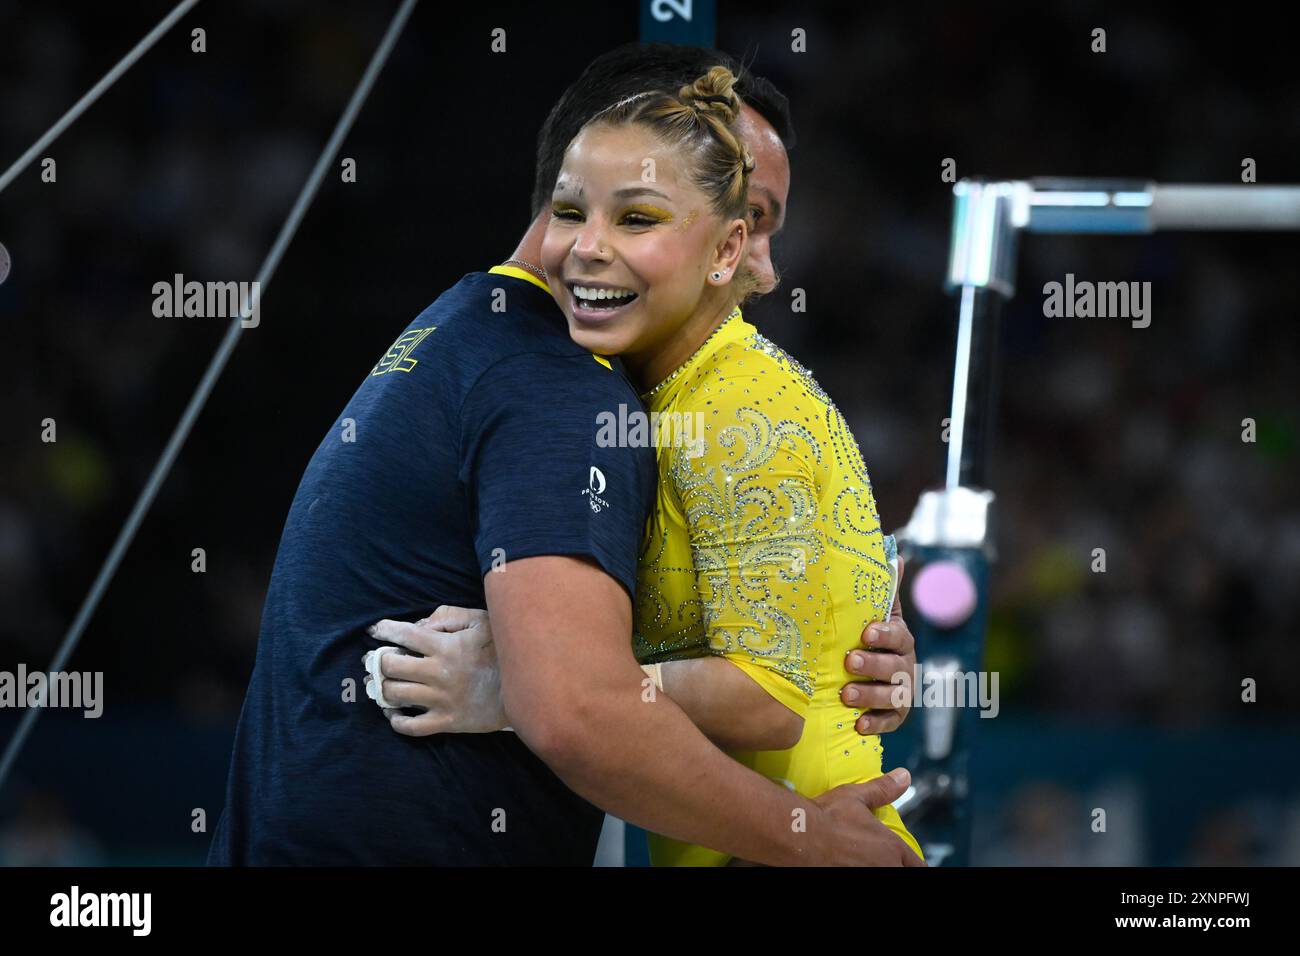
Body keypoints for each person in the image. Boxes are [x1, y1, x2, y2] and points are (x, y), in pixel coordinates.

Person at [208, 42, 923, 866]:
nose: (764, 263)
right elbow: (581, 709)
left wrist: (841, 651)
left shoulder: (475, 331)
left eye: (764, 225)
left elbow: (760, 678)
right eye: (745, 214)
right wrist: (544, 686)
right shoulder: (558, 387)